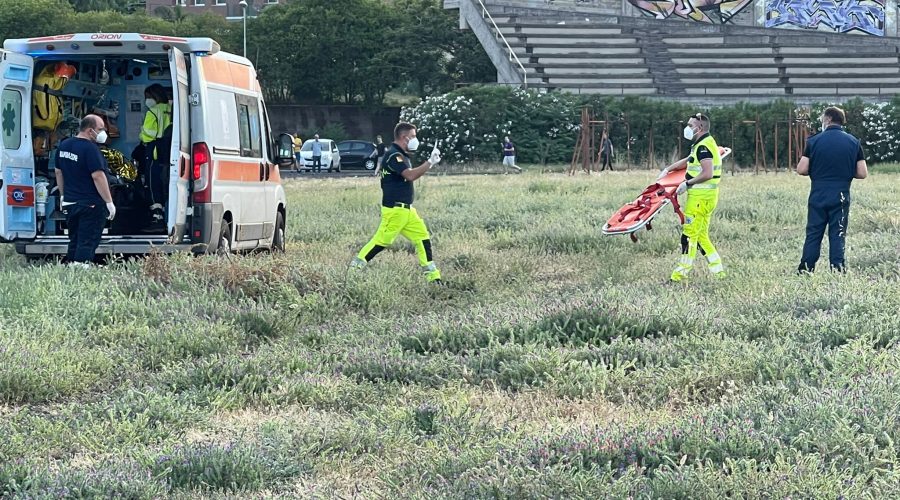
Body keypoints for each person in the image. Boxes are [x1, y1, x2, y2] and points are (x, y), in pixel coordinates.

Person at [351, 122, 443, 283]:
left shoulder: (400, 154)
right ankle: (352, 272)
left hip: (407, 210)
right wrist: (430, 163)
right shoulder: (394, 155)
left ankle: (434, 278)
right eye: (413, 136)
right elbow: (410, 175)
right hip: (395, 210)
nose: (416, 140)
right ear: (404, 137)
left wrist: (429, 163)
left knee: (422, 238)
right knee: (381, 241)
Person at [796, 106, 867, 273]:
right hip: (841, 195)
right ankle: (837, 270)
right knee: (838, 233)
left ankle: (806, 269)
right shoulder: (853, 142)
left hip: (818, 194)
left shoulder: (813, 141)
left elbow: (801, 169)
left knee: (814, 233)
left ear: (827, 119)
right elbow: (862, 173)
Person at [657, 113, 725, 282]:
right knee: (701, 236)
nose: (687, 128)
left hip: (700, 199)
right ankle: (719, 273)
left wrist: (687, 184)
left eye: (690, 125)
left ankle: (679, 276)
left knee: (688, 236)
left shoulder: (703, 147)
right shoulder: (703, 143)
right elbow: (689, 160)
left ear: (699, 128)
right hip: (706, 197)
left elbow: (707, 173)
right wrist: (668, 169)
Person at [55, 115, 116, 264]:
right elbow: (98, 176)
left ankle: (71, 268)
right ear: (90, 130)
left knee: (74, 239)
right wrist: (109, 202)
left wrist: (63, 196)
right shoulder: (90, 149)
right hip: (90, 204)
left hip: (70, 203)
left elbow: (58, 172)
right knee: (87, 240)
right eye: (100, 129)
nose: (103, 133)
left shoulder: (63, 146)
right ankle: (81, 269)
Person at [137, 83, 172, 225]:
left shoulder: (152, 112)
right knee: (166, 180)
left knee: (153, 182)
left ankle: (156, 213)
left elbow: (147, 135)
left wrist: (141, 134)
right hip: (170, 149)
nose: (147, 100)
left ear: (154, 97)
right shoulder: (171, 109)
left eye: (148, 97)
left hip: (155, 150)